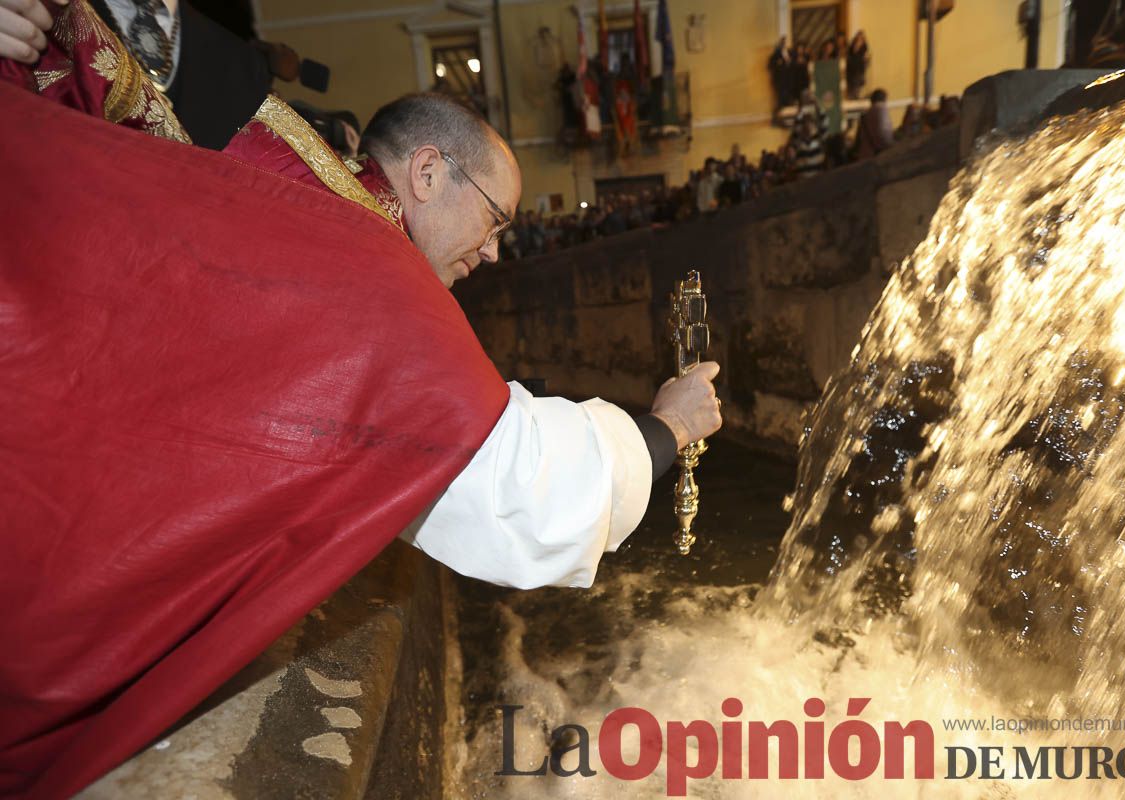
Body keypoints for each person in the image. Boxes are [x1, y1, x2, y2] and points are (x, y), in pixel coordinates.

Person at [0, 2, 722, 796]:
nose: (492, 251)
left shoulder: (291, 169)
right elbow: (518, 489)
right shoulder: (368, 264)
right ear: (426, 172)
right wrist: (667, 426)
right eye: (493, 221)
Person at [855, 87, 894, 160]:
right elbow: (887, 137)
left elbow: (858, 140)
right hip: (881, 156)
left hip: (866, 156)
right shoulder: (884, 112)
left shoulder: (865, 116)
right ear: (884, 99)